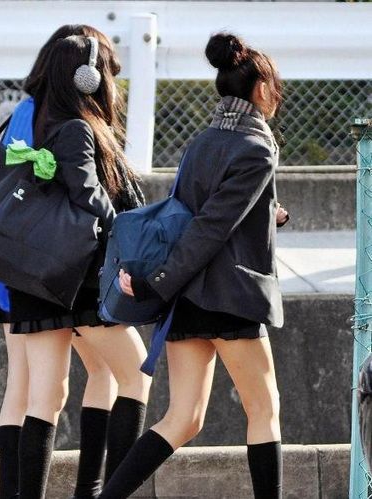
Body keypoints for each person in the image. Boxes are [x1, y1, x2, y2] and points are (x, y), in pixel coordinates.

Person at [100, 32, 288, 499]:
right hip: (228, 298)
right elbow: (210, 226)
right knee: (264, 411)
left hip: (186, 298)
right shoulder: (257, 146)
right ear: (261, 89)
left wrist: (269, 213)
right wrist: (158, 281)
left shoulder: (202, 141)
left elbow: (198, 211)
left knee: (183, 418)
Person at [0, 25, 151, 499]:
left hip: (23, 273)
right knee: (134, 373)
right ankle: (102, 491)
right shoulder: (76, 127)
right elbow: (89, 195)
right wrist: (128, 233)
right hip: (71, 278)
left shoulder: (31, 117)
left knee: (42, 394)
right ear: (86, 78)